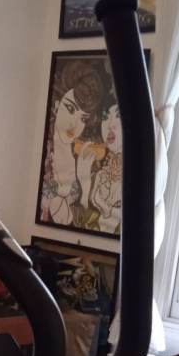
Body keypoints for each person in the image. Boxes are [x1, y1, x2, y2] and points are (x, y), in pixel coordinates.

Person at [39, 60, 105, 228]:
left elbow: (82, 224)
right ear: (57, 105)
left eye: (83, 118)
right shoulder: (41, 152)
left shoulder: (83, 158)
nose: (75, 125)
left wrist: (84, 185)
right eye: (70, 109)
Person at [89, 102, 122, 235]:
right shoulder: (100, 173)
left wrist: (107, 209)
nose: (110, 125)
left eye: (119, 116)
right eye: (105, 117)